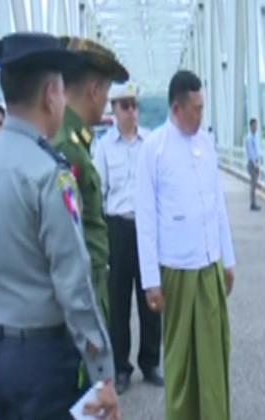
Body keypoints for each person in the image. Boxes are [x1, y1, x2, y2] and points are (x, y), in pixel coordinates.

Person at [0, 32, 120, 419]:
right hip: (45, 361)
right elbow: (74, 284)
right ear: (50, 96)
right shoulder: (49, 175)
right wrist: (104, 376)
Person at [135, 69, 236, 419]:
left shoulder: (206, 144)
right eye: (197, 109)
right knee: (180, 360)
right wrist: (151, 280)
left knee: (214, 355)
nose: (201, 115)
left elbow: (218, 205)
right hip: (176, 268)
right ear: (176, 109)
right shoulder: (154, 148)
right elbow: (145, 219)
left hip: (209, 264)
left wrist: (228, 260)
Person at [52, 36, 130, 330]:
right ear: (94, 90)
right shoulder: (67, 147)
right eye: (107, 91)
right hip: (83, 296)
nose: (107, 101)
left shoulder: (76, 141)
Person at [93, 81, 163, 394]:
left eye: (135, 105)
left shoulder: (151, 143)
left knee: (151, 297)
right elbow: (99, 193)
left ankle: (150, 361)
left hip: (146, 227)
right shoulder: (104, 147)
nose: (132, 111)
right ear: (114, 109)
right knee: (118, 302)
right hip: (118, 227)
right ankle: (120, 367)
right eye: (125, 105)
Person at [245, 117, 261, 211]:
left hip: (256, 162)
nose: (255, 127)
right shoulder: (249, 138)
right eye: (254, 126)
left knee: (254, 184)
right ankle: (253, 203)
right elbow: (250, 152)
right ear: (250, 126)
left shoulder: (255, 137)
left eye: (256, 126)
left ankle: (254, 202)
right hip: (252, 163)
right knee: (253, 184)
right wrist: (255, 163)